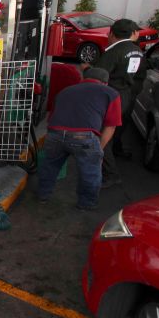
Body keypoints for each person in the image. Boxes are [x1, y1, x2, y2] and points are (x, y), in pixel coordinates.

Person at [38, 68, 122, 211]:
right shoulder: (111, 93)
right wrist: (99, 150)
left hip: (55, 133)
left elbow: (51, 118)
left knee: (49, 167)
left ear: (83, 79)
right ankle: (86, 204)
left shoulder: (65, 91)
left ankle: (43, 196)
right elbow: (111, 126)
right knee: (90, 171)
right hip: (83, 137)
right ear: (105, 83)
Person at [82, 19, 144, 187]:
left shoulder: (114, 51)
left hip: (111, 96)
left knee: (104, 135)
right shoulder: (137, 51)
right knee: (117, 129)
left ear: (111, 34)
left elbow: (98, 75)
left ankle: (110, 174)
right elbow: (141, 75)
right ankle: (117, 152)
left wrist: (87, 69)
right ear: (131, 33)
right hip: (127, 95)